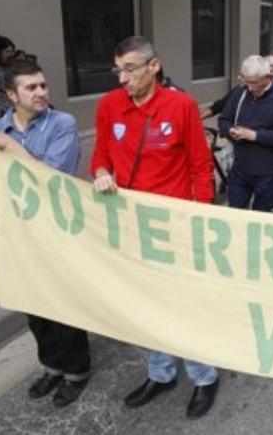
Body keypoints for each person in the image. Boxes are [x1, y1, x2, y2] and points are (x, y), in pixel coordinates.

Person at [90, 36, 219, 418]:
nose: (123, 78)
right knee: (146, 303)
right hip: (130, 226)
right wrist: (99, 172)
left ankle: (203, 377)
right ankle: (161, 373)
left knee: (185, 304)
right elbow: (100, 152)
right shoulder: (109, 105)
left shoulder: (181, 106)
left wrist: (201, 217)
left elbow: (200, 164)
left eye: (130, 69)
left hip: (176, 225)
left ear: (154, 66)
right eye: (118, 70)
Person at [0, 60, 89, 408]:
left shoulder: (62, 124)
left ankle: (76, 372)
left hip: (57, 234)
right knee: (33, 306)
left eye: (43, 85)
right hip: (18, 239)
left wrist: (11, 147)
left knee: (64, 307)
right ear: (11, 94)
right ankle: (52, 367)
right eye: (31, 88)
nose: (41, 93)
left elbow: (50, 179)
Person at [218, 55, 273, 212]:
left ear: (267, 77)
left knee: (264, 220)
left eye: (253, 82)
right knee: (235, 216)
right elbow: (223, 120)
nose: (249, 86)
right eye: (245, 80)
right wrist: (229, 131)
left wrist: (255, 136)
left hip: (268, 173)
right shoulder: (239, 94)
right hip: (239, 169)